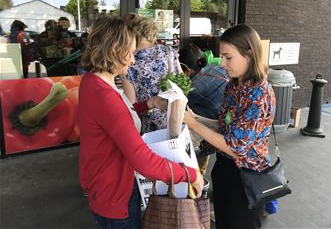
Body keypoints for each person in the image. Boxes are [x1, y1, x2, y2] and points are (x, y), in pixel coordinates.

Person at [78, 15, 203, 229]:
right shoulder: (104, 95)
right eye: (130, 53)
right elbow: (144, 162)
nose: (133, 60)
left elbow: (115, 119)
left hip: (105, 185)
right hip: (116, 194)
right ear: (114, 50)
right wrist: (191, 175)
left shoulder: (92, 81)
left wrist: (150, 103)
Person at [183, 24, 275, 229]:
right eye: (221, 57)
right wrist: (195, 118)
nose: (222, 63)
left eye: (228, 57)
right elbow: (226, 126)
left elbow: (235, 146)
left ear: (249, 54)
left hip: (247, 180)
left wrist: (194, 126)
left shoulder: (259, 94)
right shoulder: (234, 85)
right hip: (226, 170)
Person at [122, 13, 182, 133]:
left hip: (150, 126)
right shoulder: (168, 51)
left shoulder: (128, 62)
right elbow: (182, 83)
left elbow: (131, 109)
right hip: (176, 118)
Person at [179, 43, 229, 173]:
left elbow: (182, 106)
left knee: (198, 154)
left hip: (213, 129)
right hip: (226, 122)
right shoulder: (216, 68)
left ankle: (198, 176)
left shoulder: (193, 88)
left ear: (187, 70)